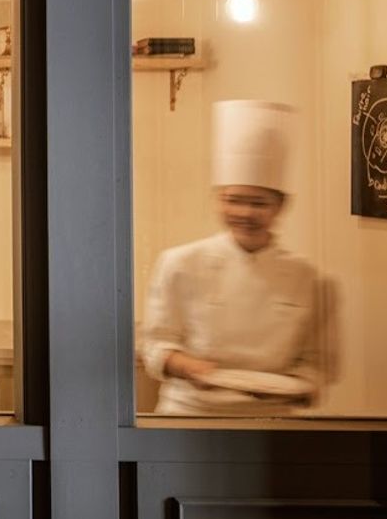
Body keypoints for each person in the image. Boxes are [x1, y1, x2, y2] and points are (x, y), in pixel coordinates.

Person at [141, 100, 336, 416]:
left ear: (281, 206)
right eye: (233, 200)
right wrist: (187, 366)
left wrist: (304, 386)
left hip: (271, 420)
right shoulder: (180, 263)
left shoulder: (309, 278)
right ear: (218, 200)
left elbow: (317, 362)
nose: (245, 213)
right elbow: (154, 344)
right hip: (190, 414)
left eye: (259, 203)